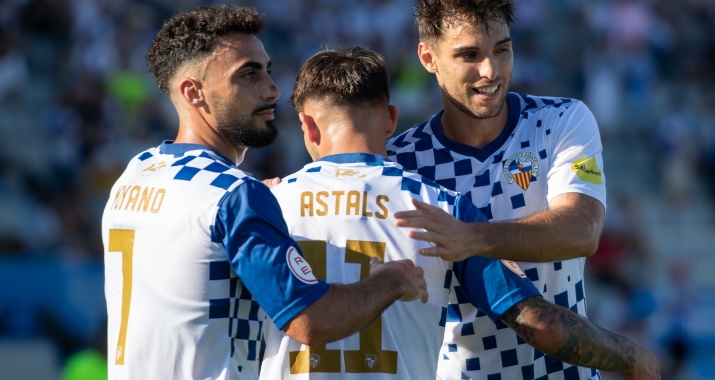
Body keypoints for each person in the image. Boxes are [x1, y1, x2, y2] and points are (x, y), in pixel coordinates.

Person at [263, 46, 659, 379]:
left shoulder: (263, 206)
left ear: (308, 128)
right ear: (390, 121)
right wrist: (628, 355)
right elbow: (540, 326)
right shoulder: (443, 209)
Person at [100, 6, 428, 380]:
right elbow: (311, 321)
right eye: (248, 74)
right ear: (194, 92)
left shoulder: (136, 173)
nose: (272, 89)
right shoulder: (233, 194)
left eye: (268, 70)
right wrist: (392, 279)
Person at [387, 0, 653, 379]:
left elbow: (583, 230)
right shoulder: (401, 161)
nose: (490, 70)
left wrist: (471, 237)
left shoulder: (563, 120)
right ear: (428, 58)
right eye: (469, 54)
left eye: (502, 49)